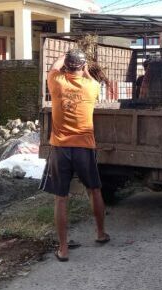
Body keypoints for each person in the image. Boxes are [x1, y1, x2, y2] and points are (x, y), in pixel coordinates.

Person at [40, 49, 110, 262]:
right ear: (82, 67)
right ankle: (100, 233)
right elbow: (89, 76)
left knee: (61, 198)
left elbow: (53, 67)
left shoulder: (57, 82)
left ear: (66, 66)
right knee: (94, 190)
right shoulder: (92, 87)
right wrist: (86, 69)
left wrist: (63, 55)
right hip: (84, 147)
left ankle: (63, 249)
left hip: (61, 148)